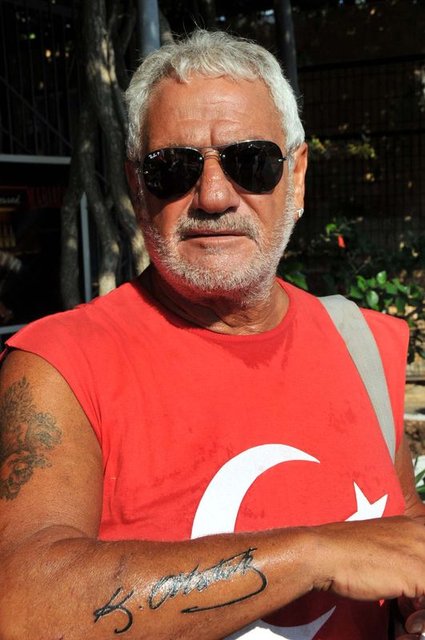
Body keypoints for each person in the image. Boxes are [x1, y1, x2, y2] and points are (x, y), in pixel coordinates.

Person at [0, 29, 424, 640]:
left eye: (252, 161)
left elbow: (402, 531)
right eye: (172, 169)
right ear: (136, 188)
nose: (215, 196)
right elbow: (22, 604)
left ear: (298, 177)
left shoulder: (361, 343)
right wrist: (318, 553)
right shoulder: (60, 367)